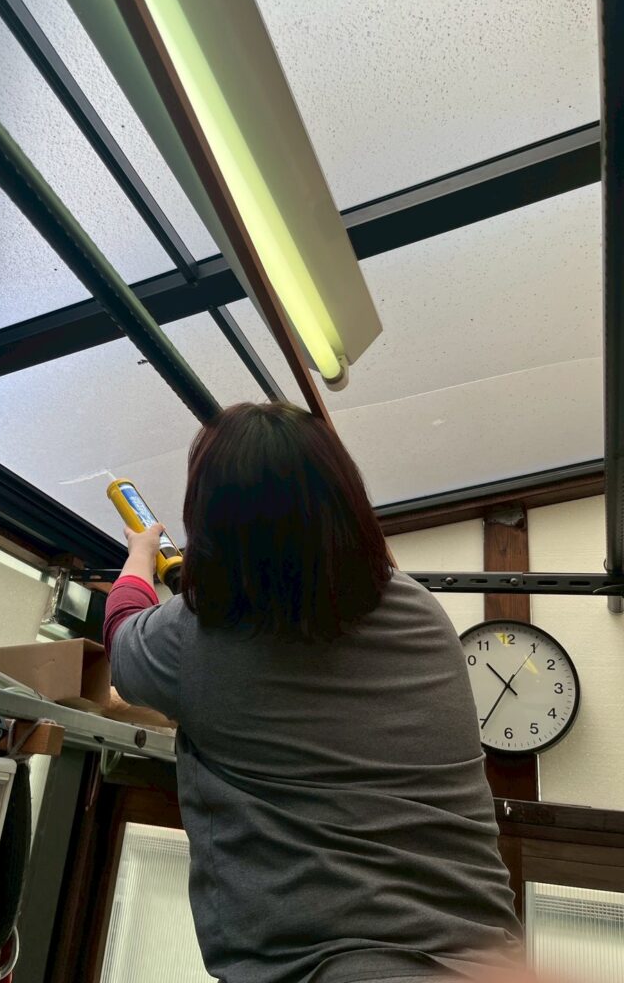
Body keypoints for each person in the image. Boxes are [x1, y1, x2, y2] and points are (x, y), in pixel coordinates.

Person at [104, 402, 522, 983]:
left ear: (211, 524)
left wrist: (141, 554)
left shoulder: (197, 639)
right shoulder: (421, 612)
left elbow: (122, 635)